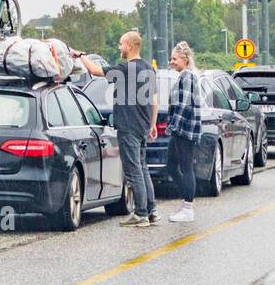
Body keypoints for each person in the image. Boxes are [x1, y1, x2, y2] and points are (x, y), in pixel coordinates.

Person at [75, 31, 158, 226]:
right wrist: (152, 124)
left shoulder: (125, 68)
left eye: (121, 44)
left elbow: (95, 71)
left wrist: (80, 56)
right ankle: (152, 210)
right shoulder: (148, 69)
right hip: (143, 125)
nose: (119, 47)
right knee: (142, 168)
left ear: (130, 46)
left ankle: (141, 214)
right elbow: (154, 100)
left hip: (128, 125)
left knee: (133, 170)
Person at [164, 41, 200, 223]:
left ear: (185, 60)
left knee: (185, 167)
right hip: (181, 128)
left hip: (185, 129)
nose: (172, 62)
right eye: (171, 58)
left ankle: (188, 208)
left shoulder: (188, 77)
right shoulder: (184, 76)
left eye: (175, 59)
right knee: (171, 165)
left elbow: (184, 104)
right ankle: (186, 201)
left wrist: (174, 126)